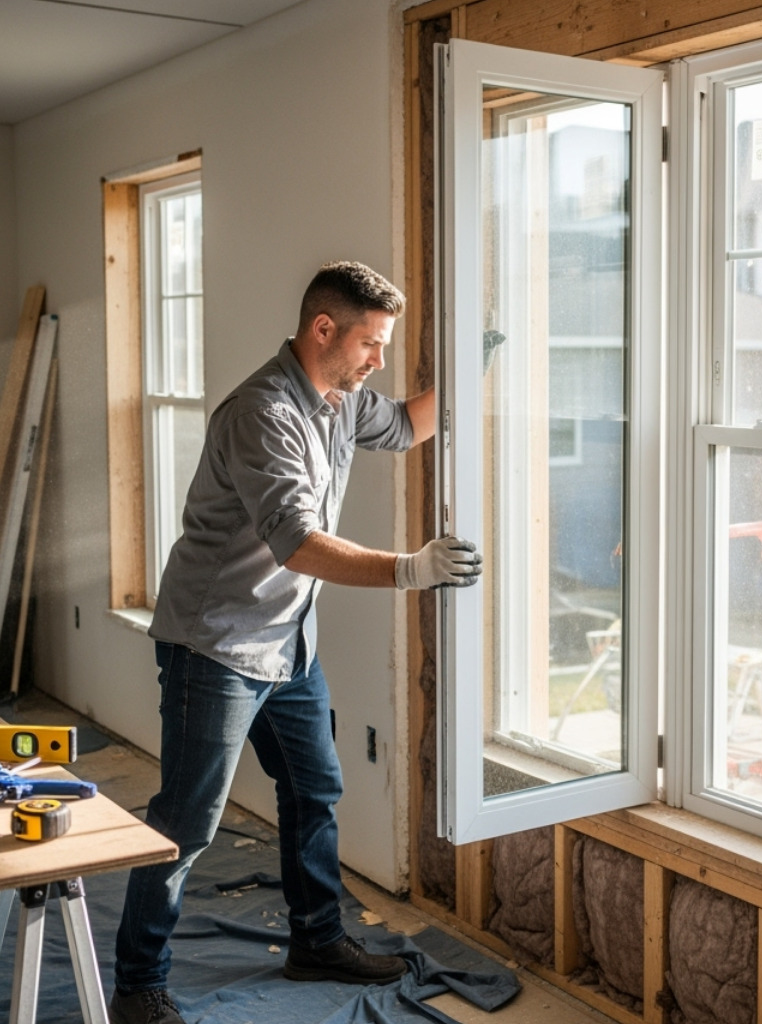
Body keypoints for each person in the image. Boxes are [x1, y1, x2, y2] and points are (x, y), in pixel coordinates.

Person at [109, 261, 482, 1024]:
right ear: (323, 331)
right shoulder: (263, 412)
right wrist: (411, 570)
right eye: (372, 343)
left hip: (288, 644)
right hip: (215, 645)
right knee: (187, 818)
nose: (378, 359)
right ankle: (137, 981)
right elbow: (296, 543)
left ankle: (316, 940)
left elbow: (411, 425)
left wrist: (479, 364)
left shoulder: (339, 403)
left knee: (316, 789)